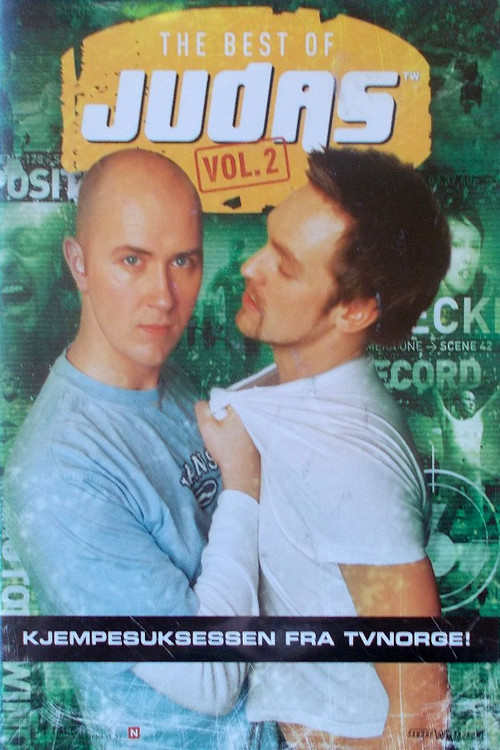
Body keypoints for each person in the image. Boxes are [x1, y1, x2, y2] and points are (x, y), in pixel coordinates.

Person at [4, 149, 277, 750]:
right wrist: (244, 485)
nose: (163, 296)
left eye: (183, 261)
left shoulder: (165, 379)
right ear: (78, 263)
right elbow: (209, 678)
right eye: (132, 260)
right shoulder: (59, 471)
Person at [197, 148, 452, 749]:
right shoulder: (299, 397)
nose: (250, 267)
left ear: (355, 310)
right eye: (268, 243)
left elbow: (422, 712)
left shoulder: (348, 458)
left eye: (285, 267)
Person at [432, 386, 500, 486]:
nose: (471, 403)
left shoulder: (477, 420)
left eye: (473, 401)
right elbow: (437, 401)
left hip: (473, 477)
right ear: (458, 403)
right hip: (450, 477)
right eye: (468, 399)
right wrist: (433, 385)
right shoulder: (449, 421)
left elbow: (492, 402)